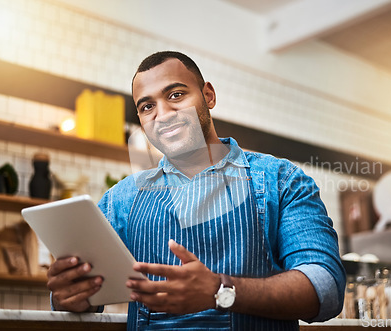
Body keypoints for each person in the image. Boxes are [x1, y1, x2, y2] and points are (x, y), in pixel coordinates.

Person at [46, 51, 346, 330]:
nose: (162, 114)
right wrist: (68, 296)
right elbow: (85, 302)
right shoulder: (121, 199)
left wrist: (221, 290)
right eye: (147, 106)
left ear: (208, 95)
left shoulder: (281, 179)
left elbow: (326, 288)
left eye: (176, 95)